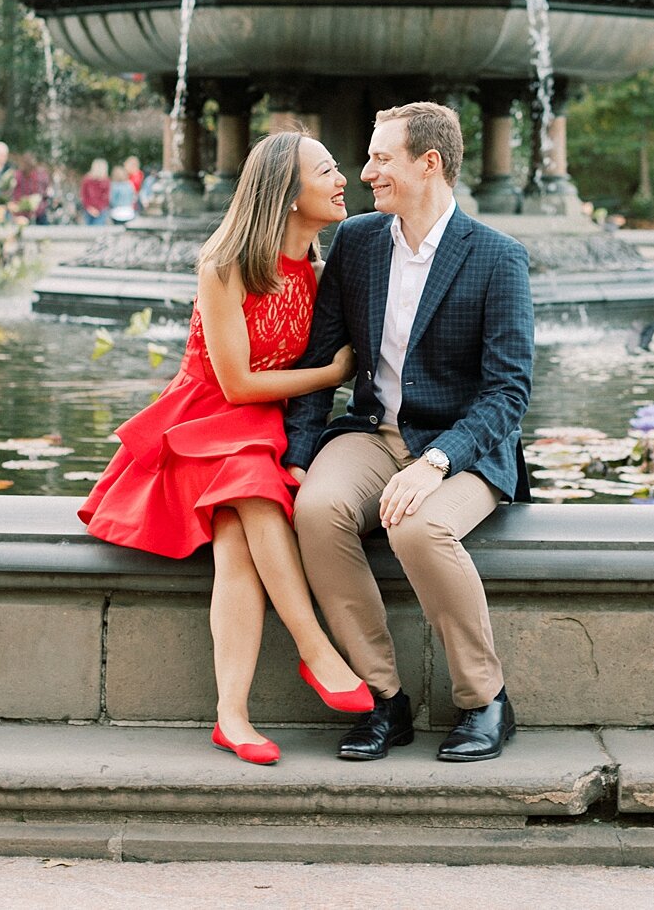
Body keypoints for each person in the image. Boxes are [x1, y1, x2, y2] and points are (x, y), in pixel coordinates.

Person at [79, 132, 372, 765]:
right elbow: (235, 382)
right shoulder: (225, 264)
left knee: (240, 539)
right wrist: (330, 374)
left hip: (266, 422)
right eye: (326, 170)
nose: (342, 177)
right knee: (255, 495)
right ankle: (315, 648)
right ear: (288, 195)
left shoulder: (320, 273)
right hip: (209, 414)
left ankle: (231, 718)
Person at [285, 101, 534, 764]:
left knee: (419, 528)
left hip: (465, 450)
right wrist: (299, 456)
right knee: (315, 509)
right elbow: (320, 363)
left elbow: (508, 393)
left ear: (429, 164)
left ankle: (484, 701)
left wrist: (438, 462)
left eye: (381, 158)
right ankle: (381, 699)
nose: (366, 172)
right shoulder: (358, 242)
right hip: (374, 432)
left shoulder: (497, 258)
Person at [11, 153, 52, 224]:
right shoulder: (17, 176)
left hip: (39, 213)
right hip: (21, 214)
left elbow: (46, 190)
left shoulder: (40, 175)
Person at [79, 158, 110, 225]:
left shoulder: (106, 181)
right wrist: (90, 208)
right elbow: (83, 195)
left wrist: (96, 209)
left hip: (100, 211)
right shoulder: (87, 180)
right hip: (90, 210)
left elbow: (106, 197)